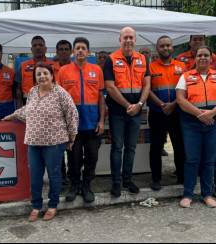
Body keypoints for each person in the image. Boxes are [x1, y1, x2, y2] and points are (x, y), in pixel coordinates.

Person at [3, 62, 78, 221]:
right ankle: (36, 206)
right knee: (35, 176)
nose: (42, 76)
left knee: (54, 175)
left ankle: (52, 205)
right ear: (35, 78)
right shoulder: (32, 91)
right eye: (38, 74)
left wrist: (72, 137)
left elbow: (72, 115)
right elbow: (28, 111)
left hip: (54, 143)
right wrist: (14, 115)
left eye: (45, 73)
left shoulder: (60, 93)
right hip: (33, 141)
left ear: (52, 75)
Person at [104, 26, 151, 198]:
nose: (128, 40)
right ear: (120, 40)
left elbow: (147, 85)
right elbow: (110, 86)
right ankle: (116, 183)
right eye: (125, 37)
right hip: (118, 111)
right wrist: (127, 105)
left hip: (137, 111)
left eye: (131, 37)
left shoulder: (143, 59)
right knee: (117, 147)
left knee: (131, 147)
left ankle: (127, 179)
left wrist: (139, 104)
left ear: (135, 40)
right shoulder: (111, 59)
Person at [58, 37, 106, 203]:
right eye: (77, 48)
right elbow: (59, 100)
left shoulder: (97, 70)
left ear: (88, 52)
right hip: (72, 126)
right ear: (73, 51)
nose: (80, 51)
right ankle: (74, 186)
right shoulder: (63, 71)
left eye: (83, 48)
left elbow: (101, 98)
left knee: (92, 157)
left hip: (92, 124)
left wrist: (101, 121)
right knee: (73, 159)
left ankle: (86, 186)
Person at [176, 45, 216, 208]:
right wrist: (201, 115)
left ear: (211, 58)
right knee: (192, 159)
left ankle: (207, 194)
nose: (203, 58)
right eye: (200, 55)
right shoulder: (185, 76)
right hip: (191, 123)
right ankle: (188, 194)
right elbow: (180, 99)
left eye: (206, 55)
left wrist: (211, 114)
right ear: (195, 58)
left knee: (209, 160)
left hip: (213, 122)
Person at [148, 36, 186, 191]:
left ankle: (182, 177)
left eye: (168, 45)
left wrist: (173, 104)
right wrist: (162, 104)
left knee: (179, 146)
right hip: (157, 112)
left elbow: (186, 89)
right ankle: (156, 179)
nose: (165, 48)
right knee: (156, 147)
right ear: (157, 48)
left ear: (172, 47)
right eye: (162, 46)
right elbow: (147, 89)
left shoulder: (182, 66)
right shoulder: (150, 67)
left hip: (177, 112)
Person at [54, 40, 73, 187]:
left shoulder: (75, 67)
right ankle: (61, 177)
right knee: (58, 149)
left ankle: (73, 177)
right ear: (56, 51)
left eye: (66, 49)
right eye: (61, 49)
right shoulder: (50, 68)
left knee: (72, 147)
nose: (63, 51)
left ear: (71, 51)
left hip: (72, 113)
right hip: (56, 115)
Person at [16, 36, 55, 105]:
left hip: (50, 103)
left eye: (40, 45)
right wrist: (19, 107)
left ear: (45, 49)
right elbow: (18, 89)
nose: (38, 47)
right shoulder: (23, 66)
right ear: (31, 49)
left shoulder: (54, 66)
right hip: (29, 103)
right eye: (35, 45)